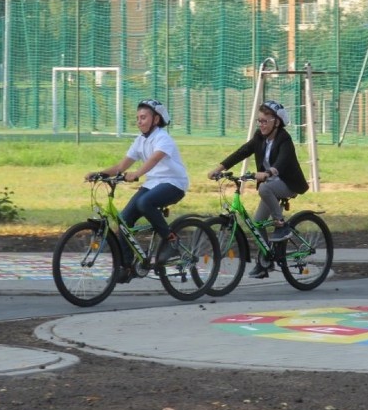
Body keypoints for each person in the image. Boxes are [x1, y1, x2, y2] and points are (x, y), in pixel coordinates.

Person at [207, 100, 309, 278]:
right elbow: (242, 151)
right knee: (257, 222)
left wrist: (268, 173)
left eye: (265, 121)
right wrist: (219, 168)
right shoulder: (259, 137)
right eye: (259, 121)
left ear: (276, 122)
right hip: (270, 185)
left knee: (264, 189)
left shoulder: (284, 138)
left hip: (288, 183)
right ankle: (265, 261)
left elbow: (283, 161)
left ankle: (281, 225)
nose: (261, 125)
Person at [86, 99, 188, 264]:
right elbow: (122, 165)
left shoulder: (163, 138)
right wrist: (100, 173)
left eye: (143, 117)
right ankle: (127, 267)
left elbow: (155, 158)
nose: (139, 121)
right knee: (124, 221)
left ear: (155, 120)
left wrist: (136, 173)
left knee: (144, 202)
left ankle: (172, 242)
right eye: (138, 118)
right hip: (153, 184)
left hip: (173, 183)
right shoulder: (140, 140)